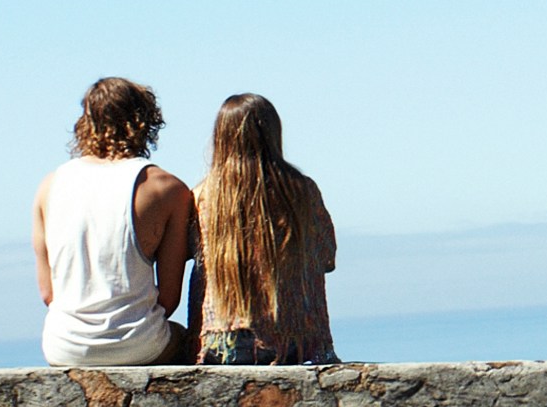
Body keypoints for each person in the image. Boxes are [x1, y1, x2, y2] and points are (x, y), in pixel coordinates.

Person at [36, 77, 201, 367]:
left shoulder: (50, 186)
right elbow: (169, 299)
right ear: (145, 121)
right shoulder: (166, 188)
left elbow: (48, 293)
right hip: (139, 344)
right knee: (189, 343)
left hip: (63, 346)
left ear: (85, 123)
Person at [195, 94, 339, 366]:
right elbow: (326, 258)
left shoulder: (203, 196)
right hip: (295, 341)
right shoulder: (303, 191)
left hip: (222, 343)